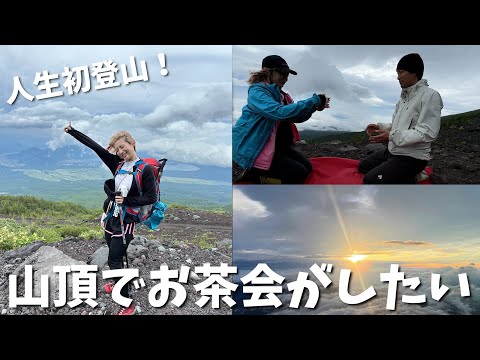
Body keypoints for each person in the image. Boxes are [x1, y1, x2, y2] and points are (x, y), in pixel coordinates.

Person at [64, 122, 157, 315]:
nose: (121, 151)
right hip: (111, 217)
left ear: (132, 143)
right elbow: (95, 147)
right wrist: (73, 132)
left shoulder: (145, 169)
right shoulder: (117, 164)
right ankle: (117, 283)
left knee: (115, 260)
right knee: (112, 252)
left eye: (123, 146)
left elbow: (151, 197)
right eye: (117, 149)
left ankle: (127, 304)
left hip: (127, 222)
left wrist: (127, 200)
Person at [233, 55, 330, 184]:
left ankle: (264, 171)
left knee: (307, 168)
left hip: (276, 147)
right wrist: (313, 100)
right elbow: (279, 112)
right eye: (282, 73)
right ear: (267, 71)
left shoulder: (281, 95)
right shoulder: (257, 92)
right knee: (298, 175)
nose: (285, 78)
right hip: (258, 149)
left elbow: (296, 117)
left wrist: (314, 106)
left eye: (287, 74)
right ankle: (254, 176)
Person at [358, 53, 443, 184]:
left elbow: (427, 132)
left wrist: (391, 136)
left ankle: (415, 175)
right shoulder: (403, 99)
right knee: (363, 166)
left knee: (370, 180)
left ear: (414, 72)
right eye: (397, 73)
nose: (398, 77)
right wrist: (380, 127)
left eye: (401, 72)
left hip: (412, 157)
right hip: (394, 151)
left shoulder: (430, 96)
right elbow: (398, 126)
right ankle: (402, 173)